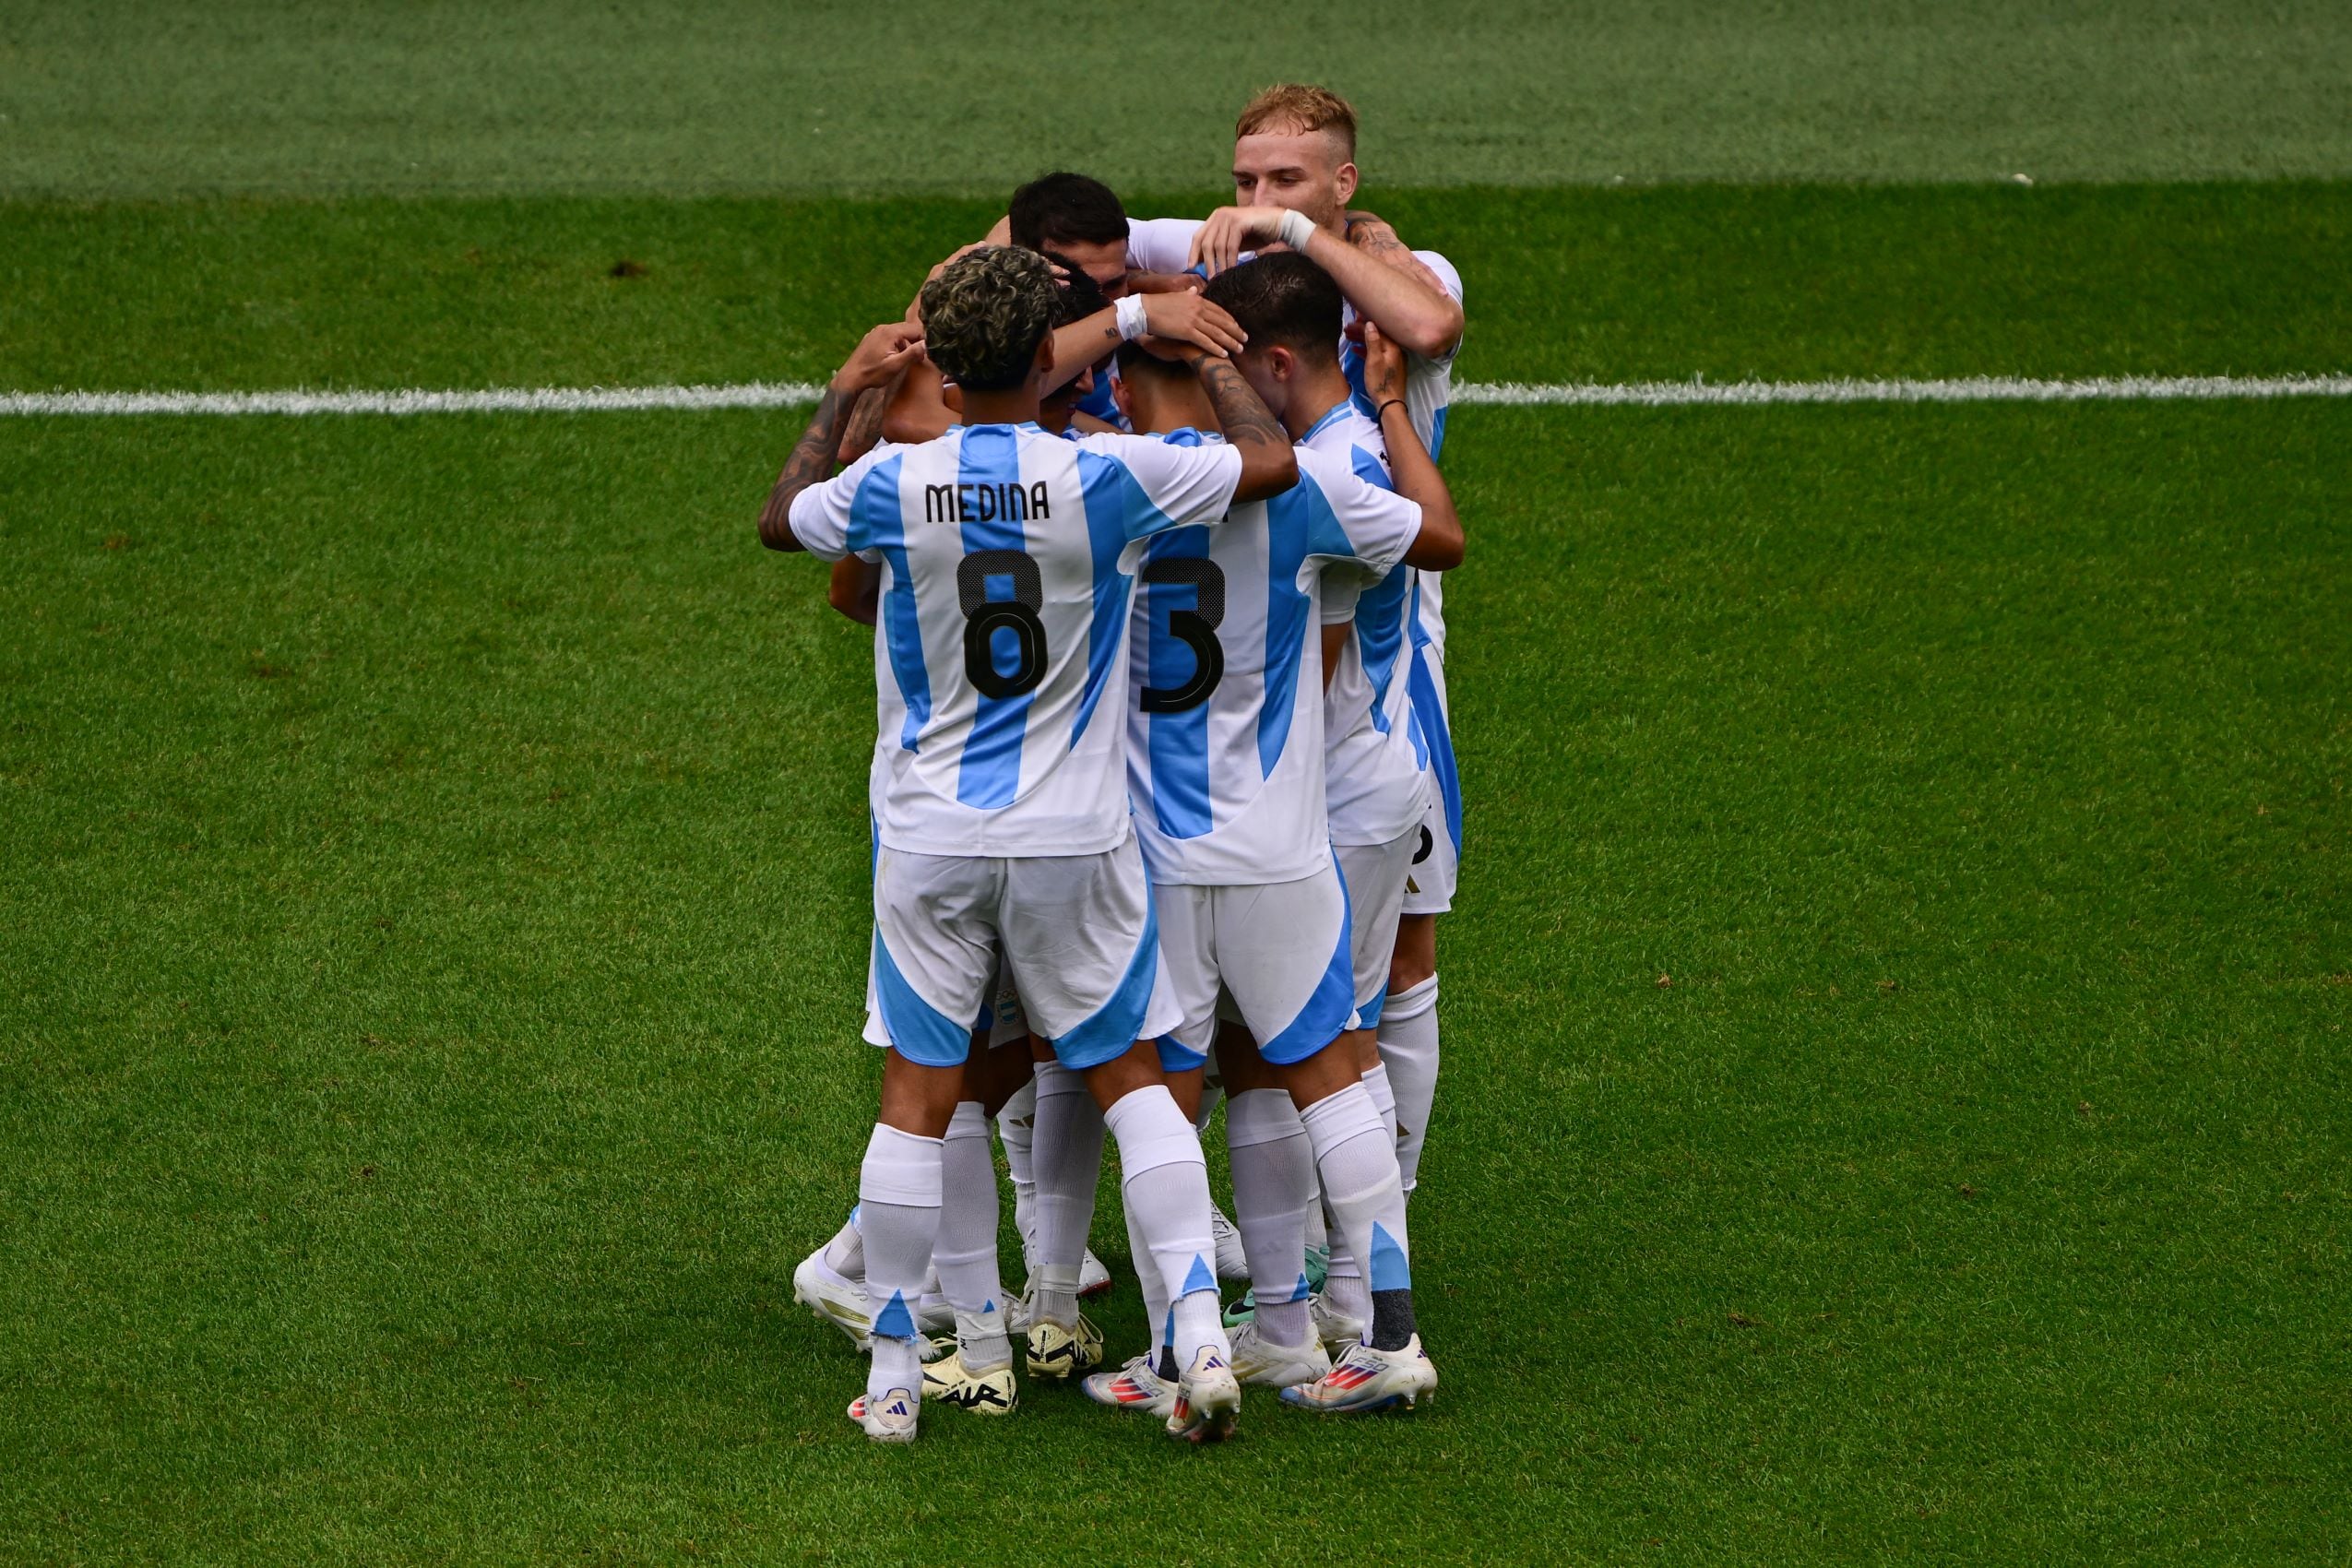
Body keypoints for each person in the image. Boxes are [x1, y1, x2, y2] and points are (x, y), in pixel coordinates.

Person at [755, 244, 1298, 1443]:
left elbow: (778, 522)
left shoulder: (892, 485)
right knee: (1125, 1076)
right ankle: (1200, 1339)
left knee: (916, 1092)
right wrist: (1216, 363)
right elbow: (1268, 464)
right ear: (1050, 361)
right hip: (1076, 838)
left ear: (940, 368)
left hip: (933, 836)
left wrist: (848, 388)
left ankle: (897, 1379)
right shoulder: (1107, 475)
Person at [1076, 278, 1459, 1420]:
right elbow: (1440, 536)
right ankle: (1389, 1337)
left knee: (1161, 1087)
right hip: (1286, 848)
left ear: (1149, 388)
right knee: (1334, 1070)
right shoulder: (1308, 496)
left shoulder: (1110, 495)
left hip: (1152, 858)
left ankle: (1180, 1348)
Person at [1125, 83, 1466, 1220]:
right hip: (1268, 692)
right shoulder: (1226, 252)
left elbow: (1428, 328)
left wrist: (1294, 237)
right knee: (1275, 1009)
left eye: (1287, 179)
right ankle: (1306, 1262)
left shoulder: (1405, 267)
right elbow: (1025, 248)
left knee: (1384, 973)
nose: (1256, 200)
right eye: (1243, 181)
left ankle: (1368, 1229)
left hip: (1388, 681)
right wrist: (1157, 288)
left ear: (1343, 182)